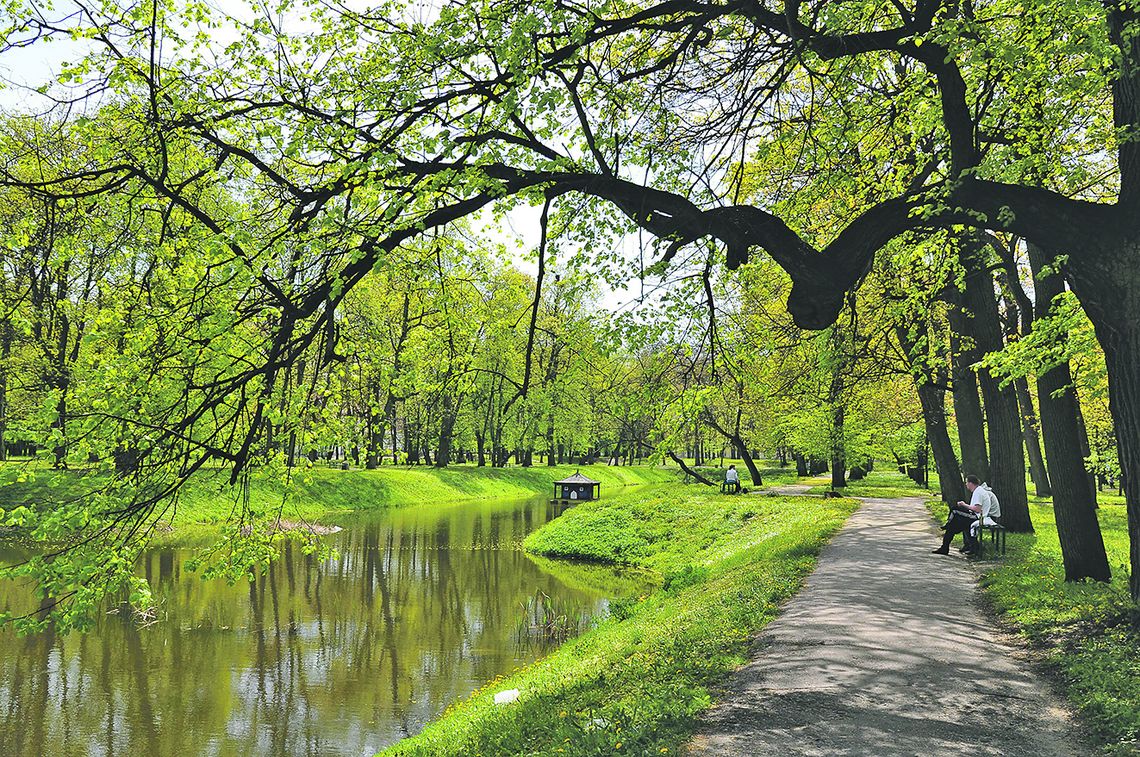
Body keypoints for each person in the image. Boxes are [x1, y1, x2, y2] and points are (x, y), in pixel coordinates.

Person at [932, 475, 999, 555]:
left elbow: (977, 509)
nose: (966, 484)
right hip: (976, 515)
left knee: (955, 510)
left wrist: (964, 505)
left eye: (966, 482)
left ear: (971, 483)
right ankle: (945, 547)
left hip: (978, 517)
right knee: (952, 526)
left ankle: (948, 524)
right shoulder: (978, 491)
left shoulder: (979, 492)